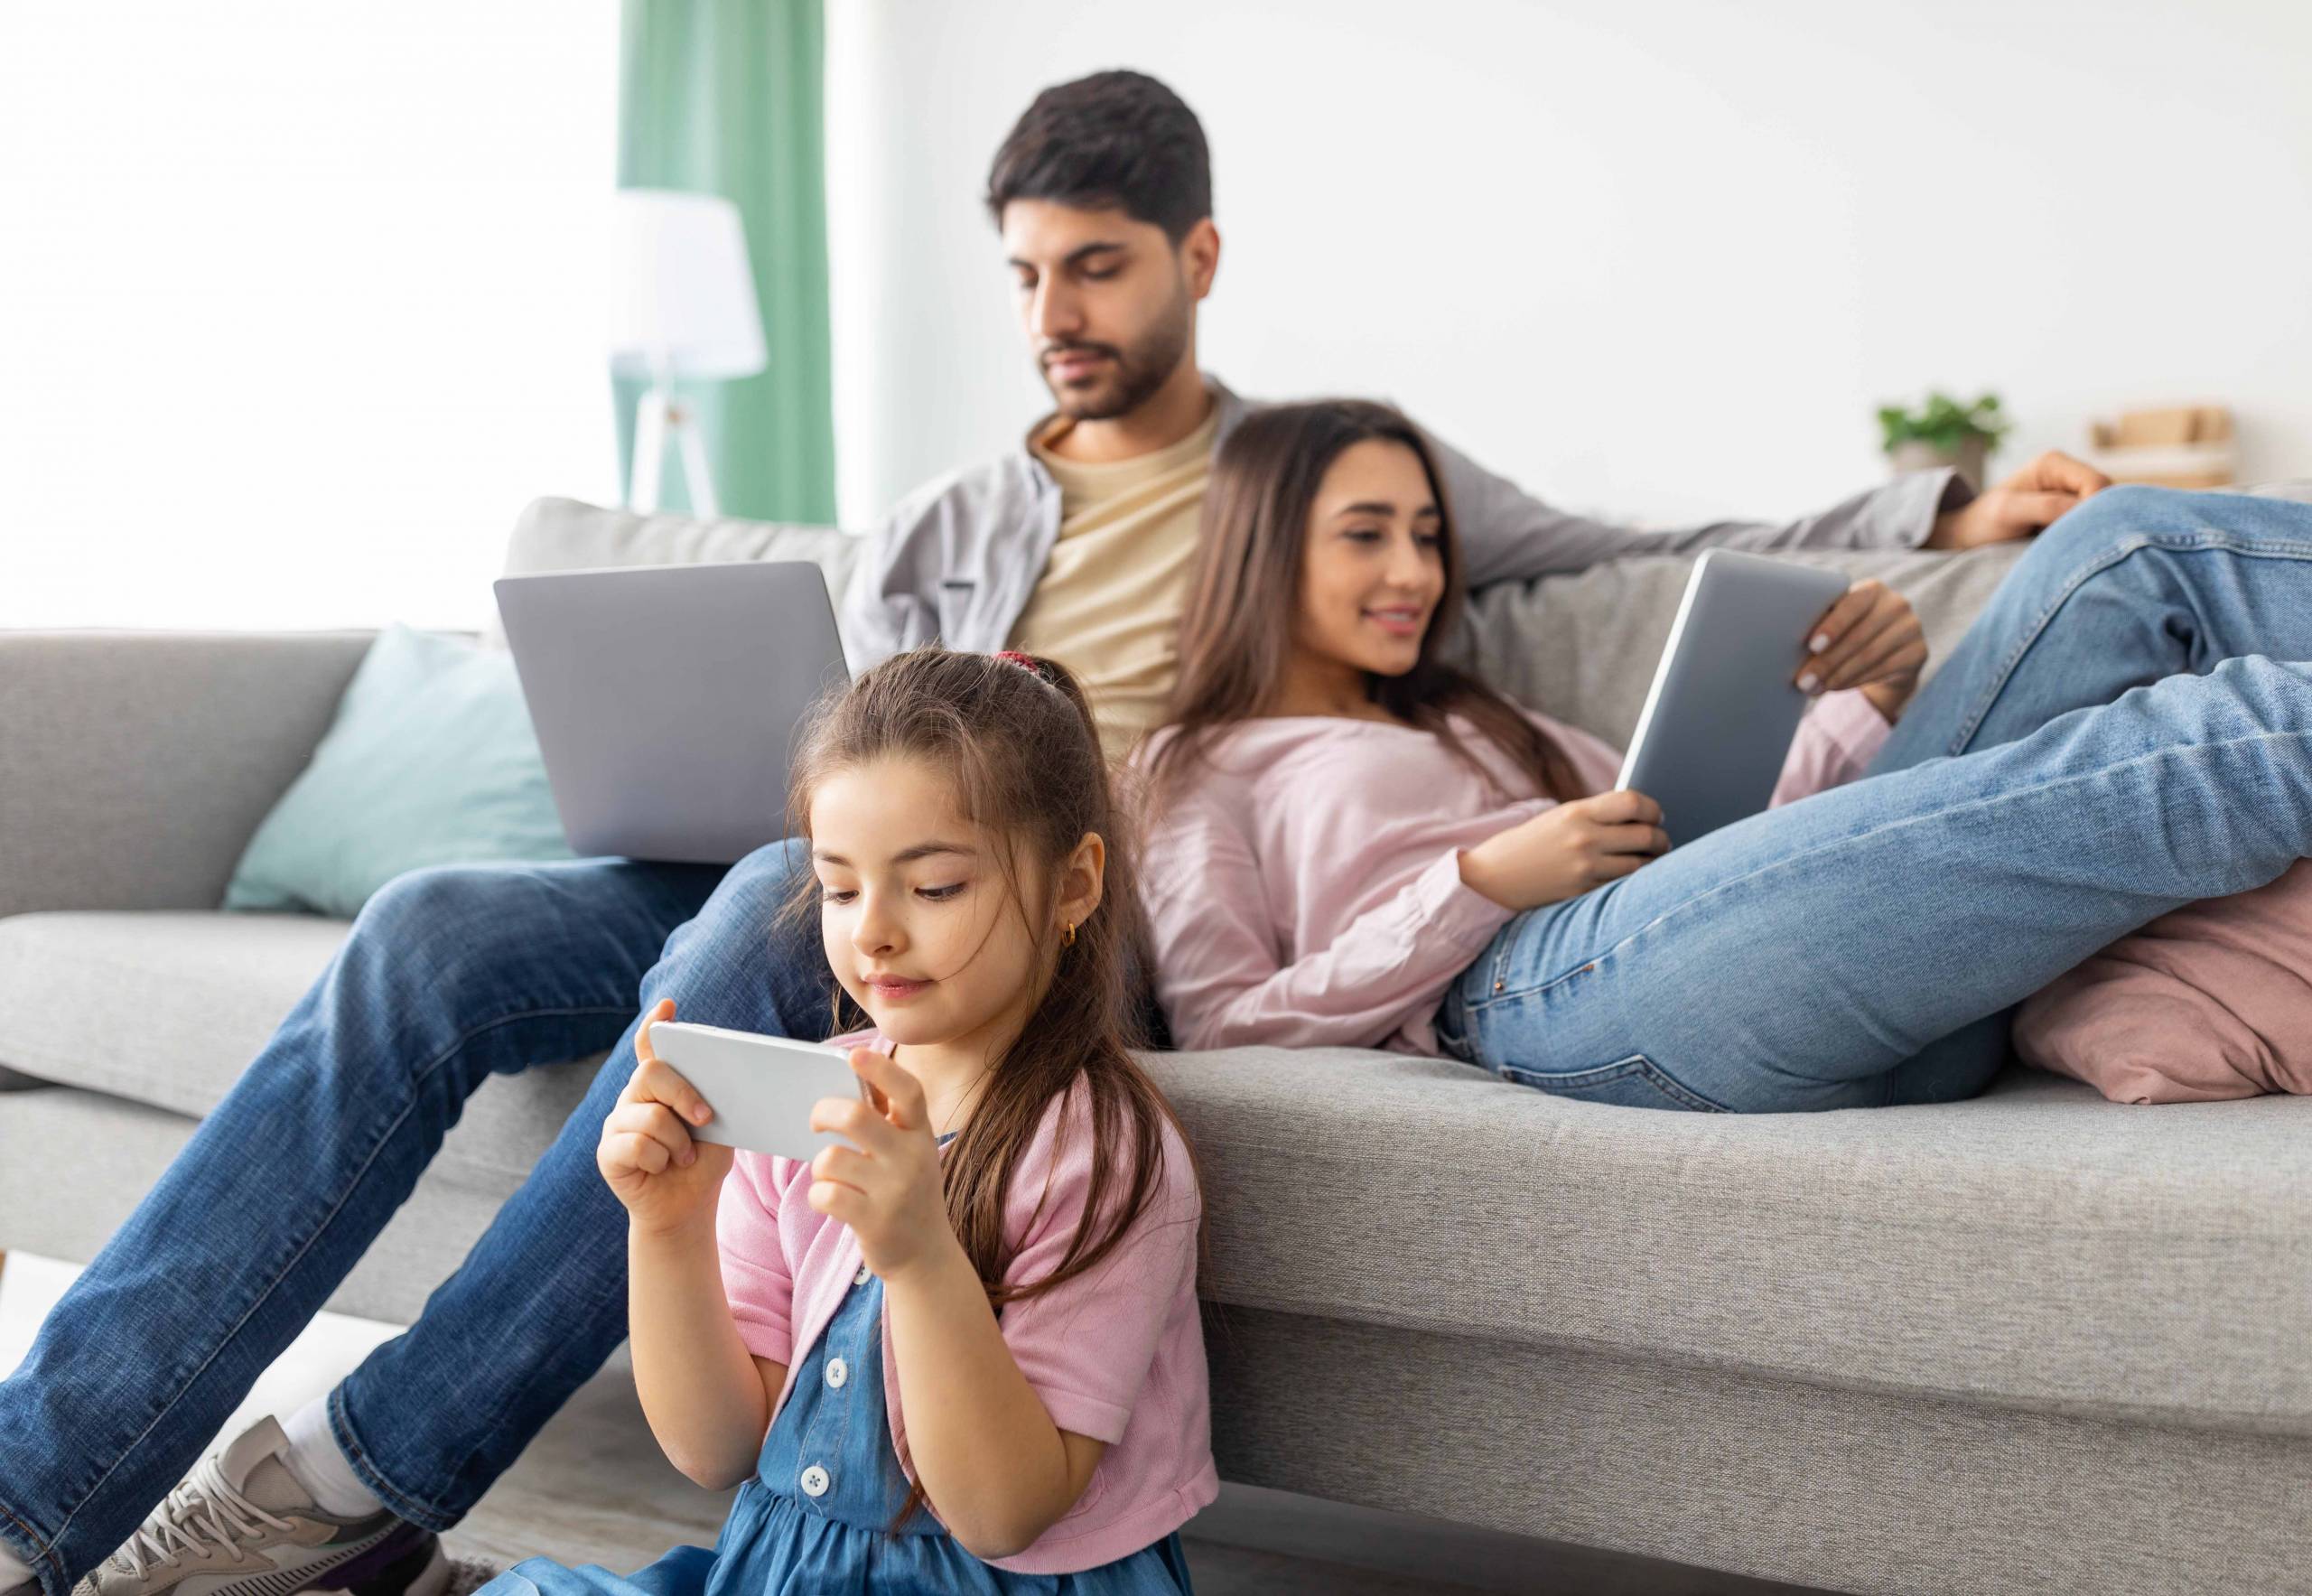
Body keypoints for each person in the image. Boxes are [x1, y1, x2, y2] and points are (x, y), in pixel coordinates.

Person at [0, 70, 2078, 1596]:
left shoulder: (1315, 470)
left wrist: (1929, 517)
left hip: (1038, 901)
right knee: (445, 923)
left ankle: (364, 1475)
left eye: (1092, 267)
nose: (1054, 315)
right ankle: (36, 1490)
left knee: (770, 908)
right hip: (831, 854)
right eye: (1020, 277)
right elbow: (825, 745)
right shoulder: (952, 519)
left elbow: (1648, 546)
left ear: (1190, 258)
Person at [1136, 399, 2312, 1112]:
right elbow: (1222, 1032)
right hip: (1531, 990)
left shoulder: (1480, 715)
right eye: (1367, 535)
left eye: (1429, 536)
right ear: (1262, 548)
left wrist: (1879, 692)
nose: (1414, 572)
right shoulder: (1200, 765)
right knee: (2205, 739)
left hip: (1784, 951)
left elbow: (1734, 854)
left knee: (2125, 543)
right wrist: (1477, 885)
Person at [485, 647, 1207, 1595]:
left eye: (935, 886)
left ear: (1074, 884)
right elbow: (718, 1450)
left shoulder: (1104, 1153)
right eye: (838, 886)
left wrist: (918, 1255)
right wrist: (665, 1230)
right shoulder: (813, 1098)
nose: (872, 931)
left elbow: (1001, 1514)